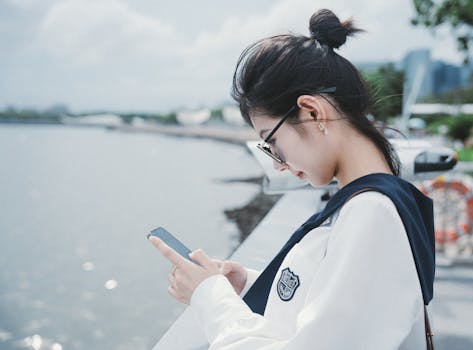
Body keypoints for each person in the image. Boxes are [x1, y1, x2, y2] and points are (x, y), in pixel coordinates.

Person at [149, 9, 435, 349]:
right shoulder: (378, 200)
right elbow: (340, 308)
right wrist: (250, 285)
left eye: (272, 143)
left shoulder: (371, 213)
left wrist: (208, 295)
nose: (279, 165)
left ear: (313, 112)